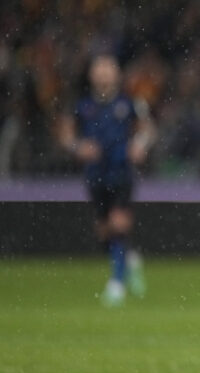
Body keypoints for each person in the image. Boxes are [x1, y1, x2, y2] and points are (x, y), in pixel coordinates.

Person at [59, 54, 155, 307]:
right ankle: (129, 260)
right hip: (95, 174)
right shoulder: (82, 105)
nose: (103, 73)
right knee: (104, 231)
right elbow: (66, 134)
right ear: (91, 74)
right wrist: (78, 147)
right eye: (99, 68)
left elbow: (147, 129)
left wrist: (139, 145)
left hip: (121, 171)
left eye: (108, 68)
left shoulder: (130, 102)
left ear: (117, 73)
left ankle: (117, 284)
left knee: (118, 223)